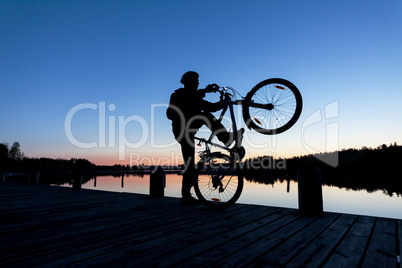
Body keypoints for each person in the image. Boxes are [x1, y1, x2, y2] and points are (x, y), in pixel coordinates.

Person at [167, 71, 244, 205]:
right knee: (189, 164)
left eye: (197, 83)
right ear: (186, 83)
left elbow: (212, 107)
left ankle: (186, 196)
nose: (196, 85)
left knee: (190, 164)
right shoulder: (177, 95)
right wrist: (205, 91)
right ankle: (186, 196)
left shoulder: (197, 98)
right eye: (193, 83)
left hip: (190, 131)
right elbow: (171, 113)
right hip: (181, 132)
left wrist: (223, 102)